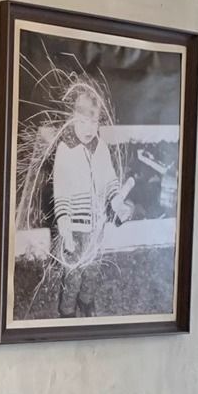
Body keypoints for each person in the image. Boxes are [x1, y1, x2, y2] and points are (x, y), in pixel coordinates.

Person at [53, 86, 131, 319]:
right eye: (83, 122)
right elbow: (61, 189)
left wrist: (117, 201)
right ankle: (67, 310)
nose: (89, 129)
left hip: (97, 223)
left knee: (93, 268)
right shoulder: (65, 149)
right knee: (73, 272)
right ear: (72, 119)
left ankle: (86, 301)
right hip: (73, 227)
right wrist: (64, 222)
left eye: (94, 122)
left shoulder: (101, 148)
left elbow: (110, 179)